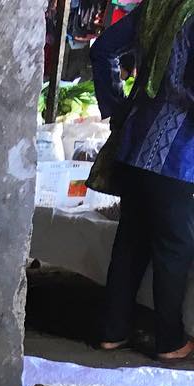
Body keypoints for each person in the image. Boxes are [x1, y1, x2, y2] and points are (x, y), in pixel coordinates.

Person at [93, 0, 194, 360]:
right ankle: (169, 341)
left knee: (132, 238)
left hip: (134, 140)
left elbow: (103, 49)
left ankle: (112, 332)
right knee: (174, 245)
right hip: (178, 154)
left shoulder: (157, 6)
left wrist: (118, 107)